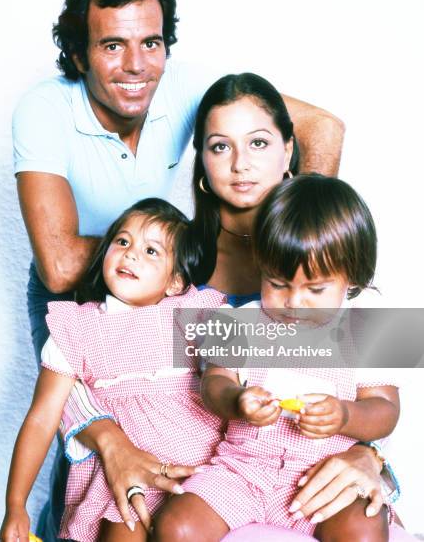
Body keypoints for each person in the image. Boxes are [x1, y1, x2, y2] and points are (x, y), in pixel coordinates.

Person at [12, 0, 345, 539]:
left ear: (288, 151)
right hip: (108, 328)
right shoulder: (183, 281)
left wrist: (300, 228)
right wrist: (108, 438)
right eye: (218, 146)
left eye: (260, 143)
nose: (242, 163)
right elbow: (94, 365)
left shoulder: (315, 271)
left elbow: (383, 373)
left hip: (260, 477)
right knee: (91, 483)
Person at [155, 174, 400, 541]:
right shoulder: (237, 321)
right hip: (243, 472)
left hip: (324, 478)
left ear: (352, 277)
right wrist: (237, 400)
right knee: (177, 526)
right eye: (278, 283)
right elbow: (213, 383)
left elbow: (385, 410)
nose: (294, 303)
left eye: (315, 289)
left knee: (363, 529)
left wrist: (346, 414)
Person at [0, 198, 227, 542]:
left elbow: (277, 349)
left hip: (201, 472)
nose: (131, 254)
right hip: (124, 481)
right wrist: (15, 505)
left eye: (152, 251)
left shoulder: (191, 313)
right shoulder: (77, 327)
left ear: (175, 282)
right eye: (122, 242)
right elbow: (42, 418)